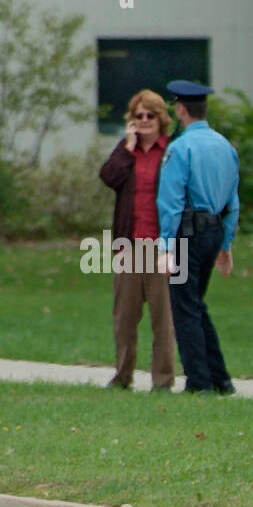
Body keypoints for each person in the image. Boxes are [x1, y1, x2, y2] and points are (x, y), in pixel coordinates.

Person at [157, 80, 240, 395]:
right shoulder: (225, 146)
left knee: (185, 309)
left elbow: (172, 201)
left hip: (187, 235)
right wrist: (226, 244)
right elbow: (233, 199)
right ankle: (220, 378)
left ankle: (199, 382)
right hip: (213, 231)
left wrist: (166, 246)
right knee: (196, 304)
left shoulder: (180, 148)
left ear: (180, 109)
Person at [98, 89, 177, 391]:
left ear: (161, 119)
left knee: (163, 318)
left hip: (163, 245)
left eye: (150, 115)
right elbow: (108, 177)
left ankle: (163, 381)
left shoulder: (171, 150)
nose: (144, 121)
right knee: (125, 317)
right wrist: (128, 148)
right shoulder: (125, 151)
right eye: (138, 116)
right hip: (129, 245)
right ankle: (122, 376)